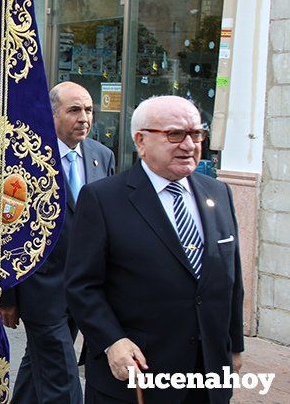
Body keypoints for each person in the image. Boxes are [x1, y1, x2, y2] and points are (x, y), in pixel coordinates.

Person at [65, 96, 244, 404]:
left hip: (207, 375)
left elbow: (231, 277)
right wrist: (112, 341)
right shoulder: (103, 199)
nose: (189, 145)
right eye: (175, 134)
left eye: (197, 134)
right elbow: (82, 286)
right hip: (135, 376)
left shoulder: (218, 192)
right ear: (141, 140)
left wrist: (234, 345)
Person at [0, 81, 115, 404]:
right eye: (74, 110)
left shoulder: (102, 156)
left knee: (38, 368)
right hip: (41, 291)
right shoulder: (24, 161)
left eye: (89, 110)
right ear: (51, 116)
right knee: (63, 380)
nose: (84, 118)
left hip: (84, 290)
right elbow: (9, 231)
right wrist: (7, 295)